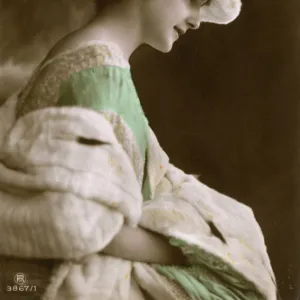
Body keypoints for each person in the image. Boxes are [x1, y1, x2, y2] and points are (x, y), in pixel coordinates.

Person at [0, 0, 278, 299]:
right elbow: (82, 222)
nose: (197, 20)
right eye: (195, 2)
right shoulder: (98, 74)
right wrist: (191, 250)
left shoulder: (90, 57)